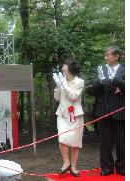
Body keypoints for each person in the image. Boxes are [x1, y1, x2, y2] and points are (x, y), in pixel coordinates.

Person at [86, 46, 125, 176]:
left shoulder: (125, 69)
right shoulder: (101, 70)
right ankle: (107, 167)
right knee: (105, 141)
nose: (105, 57)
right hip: (103, 111)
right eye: (105, 55)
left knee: (122, 141)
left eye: (108, 55)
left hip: (120, 111)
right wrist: (101, 82)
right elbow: (91, 90)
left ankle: (122, 167)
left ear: (116, 56)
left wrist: (115, 80)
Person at [53, 59, 84, 177]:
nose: (62, 68)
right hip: (62, 114)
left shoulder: (80, 82)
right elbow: (57, 98)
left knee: (75, 142)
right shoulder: (61, 81)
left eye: (64, 66)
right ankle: (66, 162)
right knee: (62, 138)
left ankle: (73, 167)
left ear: (71, 68)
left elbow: (74, 97)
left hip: (75, 115)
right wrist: (57, 87)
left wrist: (64, 85)